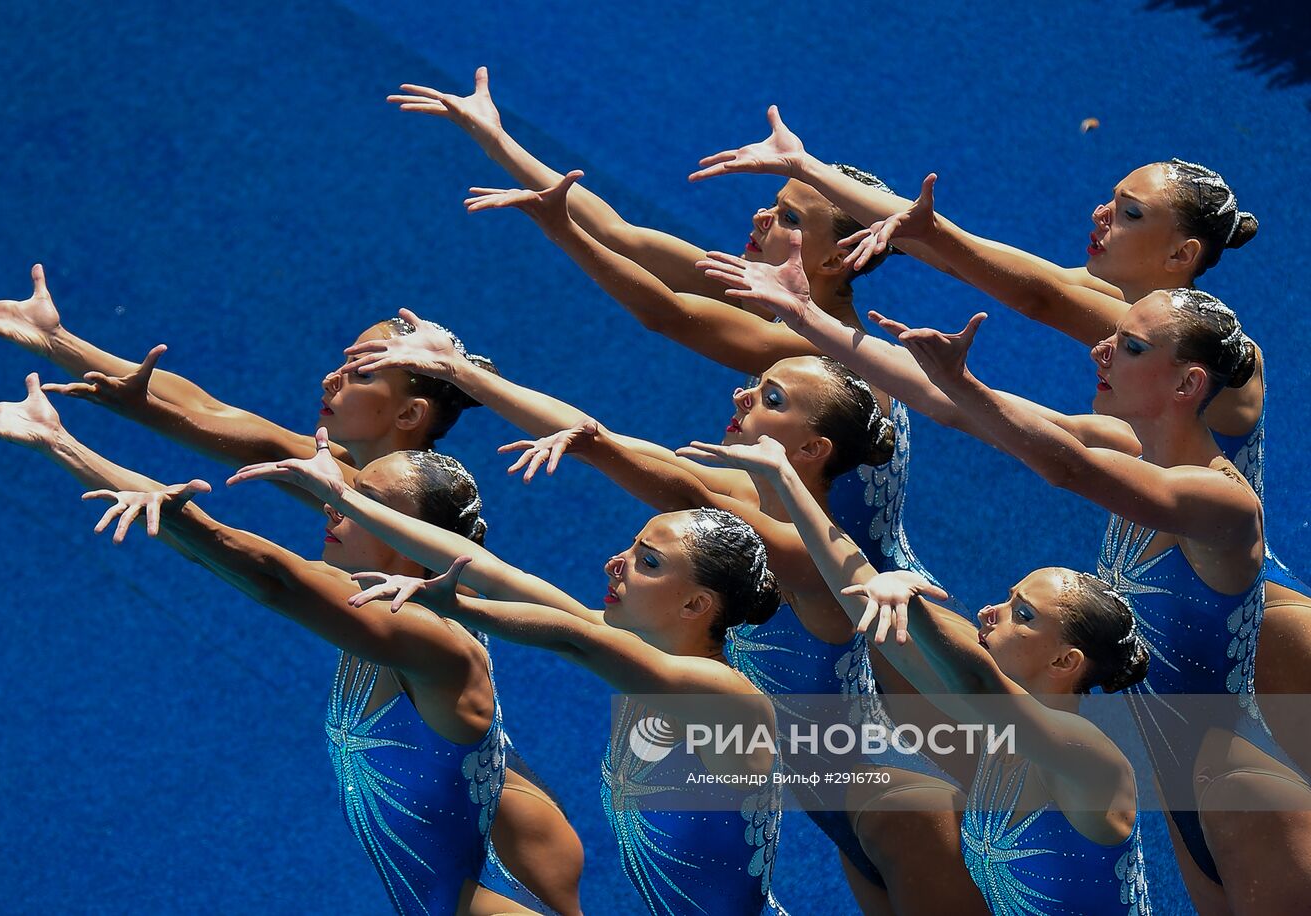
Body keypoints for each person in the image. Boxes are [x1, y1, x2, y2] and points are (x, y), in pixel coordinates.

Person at [0, 268, 583, 913]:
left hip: (456, 750)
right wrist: (63, 348)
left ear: (410, 413)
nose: (332, 378)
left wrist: (71, 385)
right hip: (443, 751)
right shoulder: (362, 486)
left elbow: (259, 539)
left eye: (362, 371)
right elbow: (215, 414)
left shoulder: (396, 503)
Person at [700, 230, 1311, 910]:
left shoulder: (1221, 501)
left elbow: (1063, 466)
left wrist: (961, 381)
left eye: (1131, 347)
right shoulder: (1129, 444)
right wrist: (807, 317)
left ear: (1187, 383)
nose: (1102, 349)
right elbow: (953, 411)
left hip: (1241, 785)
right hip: (1185, 783)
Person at [689, 111, 1309, 757]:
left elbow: (1025, 293)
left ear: (1182, 254)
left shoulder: (1226, 363)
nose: (1100, 214)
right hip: (1181, 688)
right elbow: (948, 262)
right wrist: (809, 187)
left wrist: (830, 193)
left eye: (1128, 212)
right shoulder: (1128, 407)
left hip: (1266, 631)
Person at [341, 294, 984, 913]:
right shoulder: (733, 523)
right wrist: (459, 377)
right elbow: (591, 454)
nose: (741, 393)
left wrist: (582, 444)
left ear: (812, 450)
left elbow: (644, 469)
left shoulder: (805, 561)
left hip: (895, 806)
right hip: (841, 808)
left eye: (771, 397)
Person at [388, 70, 939, 592]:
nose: (760, 219)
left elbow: (667, 314)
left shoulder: (826, 352)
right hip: (789, 557)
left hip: (849, 593)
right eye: (773, 204)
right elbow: (618, 232)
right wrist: (497, 138)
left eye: (790, 219)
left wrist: (559, 233)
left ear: (838, 258)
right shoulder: (775, 297)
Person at [226, 436, 788, 915]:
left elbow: (575, 638)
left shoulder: (725, 695)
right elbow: (496, 574)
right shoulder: (651, 662)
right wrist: (344, 498)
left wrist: (461, 608)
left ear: (695, 606)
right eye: (631, 548)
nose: (614, 563)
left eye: (648, 562)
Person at [681, 433, 1154, 914]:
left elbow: (977, 683)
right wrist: (784, 476)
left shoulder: (1088, 755)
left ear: (1064, 662)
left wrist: (914, 610)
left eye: (1022, 614)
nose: (991, 612)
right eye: (1009, 598)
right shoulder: (995, 732)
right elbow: (864, 601)